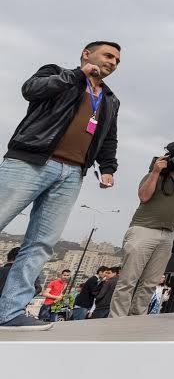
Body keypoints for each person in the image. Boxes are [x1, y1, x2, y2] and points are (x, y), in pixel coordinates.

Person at [0, 41, 121, 331]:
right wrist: (78, 74)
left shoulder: (110, 99)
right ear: (87, 54)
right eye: (108, 55)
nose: (113, 62)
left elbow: (108, 138)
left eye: (117, 60)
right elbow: (31, 90)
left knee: (41, 244)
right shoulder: (57, 73)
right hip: (31, 161)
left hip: (72, 173)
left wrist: (108, 168)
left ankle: (10, 312)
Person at [112, 142, 174, 317]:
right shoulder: (155, 175)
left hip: (167, 234)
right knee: (128, 281)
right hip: (143, 230)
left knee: (150, 283)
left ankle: (137, 318)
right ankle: (117, 319)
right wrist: (155, 172)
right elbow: (143, 196)